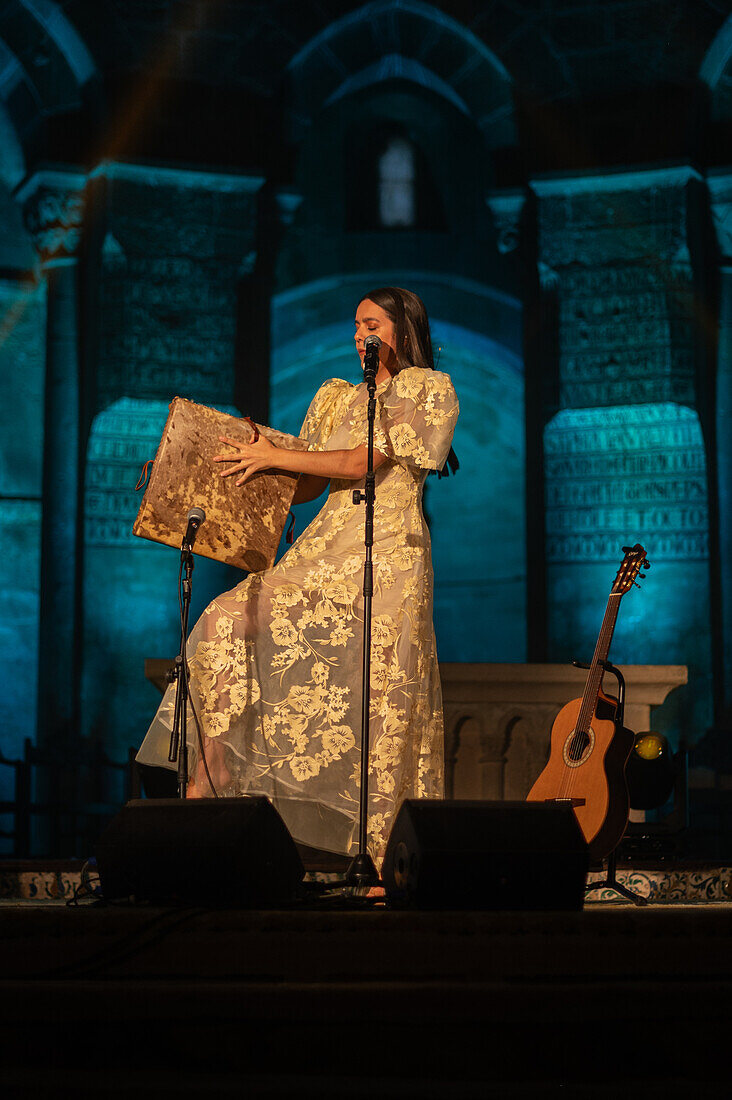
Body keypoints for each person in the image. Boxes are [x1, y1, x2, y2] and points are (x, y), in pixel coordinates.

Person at [136, 286, 459, 861]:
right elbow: (310, 480)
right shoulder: (334, 395)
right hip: (324, 547)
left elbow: (366, 461)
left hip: (387, 556)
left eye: (373, 323)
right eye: (356, 324)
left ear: (403, 330)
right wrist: (245, 451)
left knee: (382, 697)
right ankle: (215, 771)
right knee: (224, 619)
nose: (361, 333)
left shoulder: (424, 388)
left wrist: (278, 456)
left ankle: (388, 857)